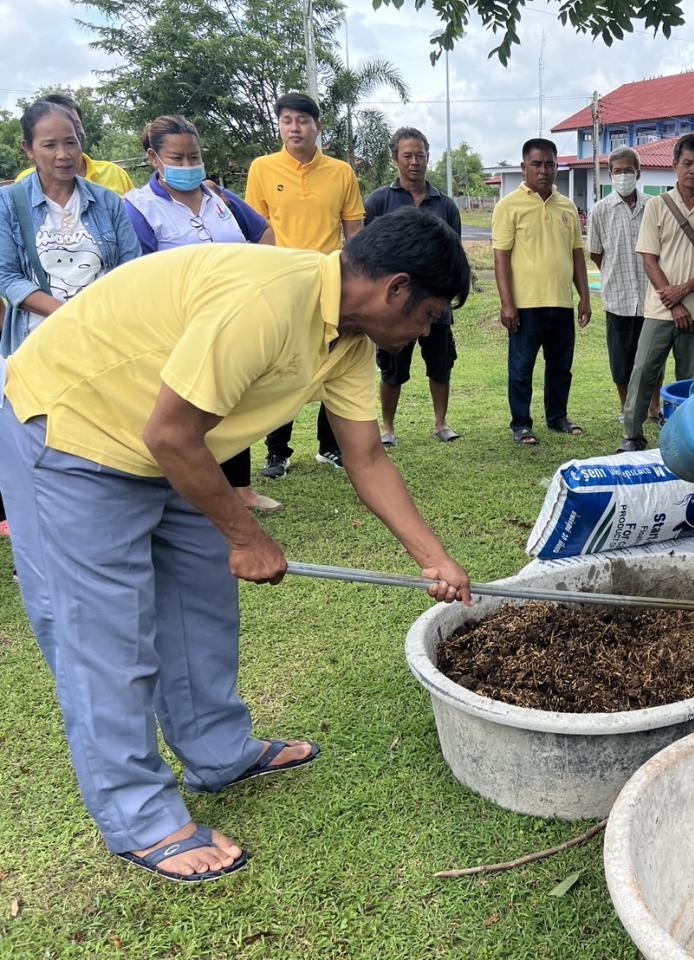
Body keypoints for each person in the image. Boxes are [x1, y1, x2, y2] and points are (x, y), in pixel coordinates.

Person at [0, 207, 473, 883]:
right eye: (429, 316)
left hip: (170, 444)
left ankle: (218, 751)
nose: (428, 332)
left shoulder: (348, 338)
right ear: (396, 289)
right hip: (73, 428)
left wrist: (435, 557)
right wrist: (246, 534)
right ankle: (140, 818)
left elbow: (366, 457)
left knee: (200, 603)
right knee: (106, 636)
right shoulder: (267, 301)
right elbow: (170, 434)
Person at [0, 100, 140, 558]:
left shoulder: (109, 203)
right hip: (38, 344)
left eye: (71, 142)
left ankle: (104, 540)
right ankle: (43, 551)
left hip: (103, 343)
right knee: (43, 443)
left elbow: (131, 270)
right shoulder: (9, 203)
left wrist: (98, 320)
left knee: (102, 437)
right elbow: (7, 276)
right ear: (28, 149)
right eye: (50, 144)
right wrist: (67, 314)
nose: (63, 153)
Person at [124, 115, 282, 515]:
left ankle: (241, 489)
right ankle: (187, 491)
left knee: (231, 403)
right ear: (153, 158)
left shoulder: (220, 198)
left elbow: (264, 233)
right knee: (184, 411)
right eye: (177, 157)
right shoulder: (139, 208)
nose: (189, 164)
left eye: (194, 155)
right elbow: (136, 270)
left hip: (231, 319)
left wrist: (252, 274)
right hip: (176, 326)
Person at [245, 92, 365, 476]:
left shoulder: (341, 172)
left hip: (330, 284)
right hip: (281, 285)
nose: (294, 127)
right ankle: (277, 452)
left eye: (302, 120)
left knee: (332, 363)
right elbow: (256, 230)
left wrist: (355, 280)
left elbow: (355, 233)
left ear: (318, 126)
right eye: (287, 121)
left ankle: (330, 448)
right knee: (282, 367)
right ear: (279, 126)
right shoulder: (262, 169)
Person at [618, 133, 694, 452]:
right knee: (642, 372)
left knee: (690, 380)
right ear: (674, 165)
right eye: (687, 163)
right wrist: (673, 299)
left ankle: (685, 437)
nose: (693, 170)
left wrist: (682, 292)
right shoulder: (656, 205)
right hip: (659, 308)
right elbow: (648, 258)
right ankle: (632, 435)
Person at [364, 127, 463, 445]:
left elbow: (455, 253)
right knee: (393, 369)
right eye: (407, 155)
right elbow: (366, 252)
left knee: (440, 365)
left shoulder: (444, 205)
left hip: (435, 306)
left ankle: (440, 423)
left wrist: (449, 297)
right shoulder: (380, 201)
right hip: (394, 308)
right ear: (396, 159)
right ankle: (388, 429)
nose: (415, 162)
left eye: (420, 155)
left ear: (428, 157)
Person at [492, 137, 591, 445]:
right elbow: (501, 258)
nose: (544, 170)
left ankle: (557, 416)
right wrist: (507, 304)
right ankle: (521, 424)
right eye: (536, 164)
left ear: (556, 165)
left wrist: (584, 297)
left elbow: (577, 254)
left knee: (561, 366)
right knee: (521, 368)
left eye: (549, 164)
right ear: (524, 167)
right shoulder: (508, 206)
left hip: (561, 302)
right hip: (525, 305)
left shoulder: (567, 207)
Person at [587, 146, 663, 423]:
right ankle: (626, 409)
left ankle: (654, 408)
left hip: (651, 299)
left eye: (628, 171)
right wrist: (613, 272)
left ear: (638, 173)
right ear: (609, 174)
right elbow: (596, 253)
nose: (622, 176)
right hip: (618, 299)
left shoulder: (655, 206)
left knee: (653, 359)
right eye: (617, 171)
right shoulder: (599, 211)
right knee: (621, 361)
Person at [15, 93, 134, 196]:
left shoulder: (113, 173)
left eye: (75, 126)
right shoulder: (24, 184)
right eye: (49, 144)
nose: (62, 154)